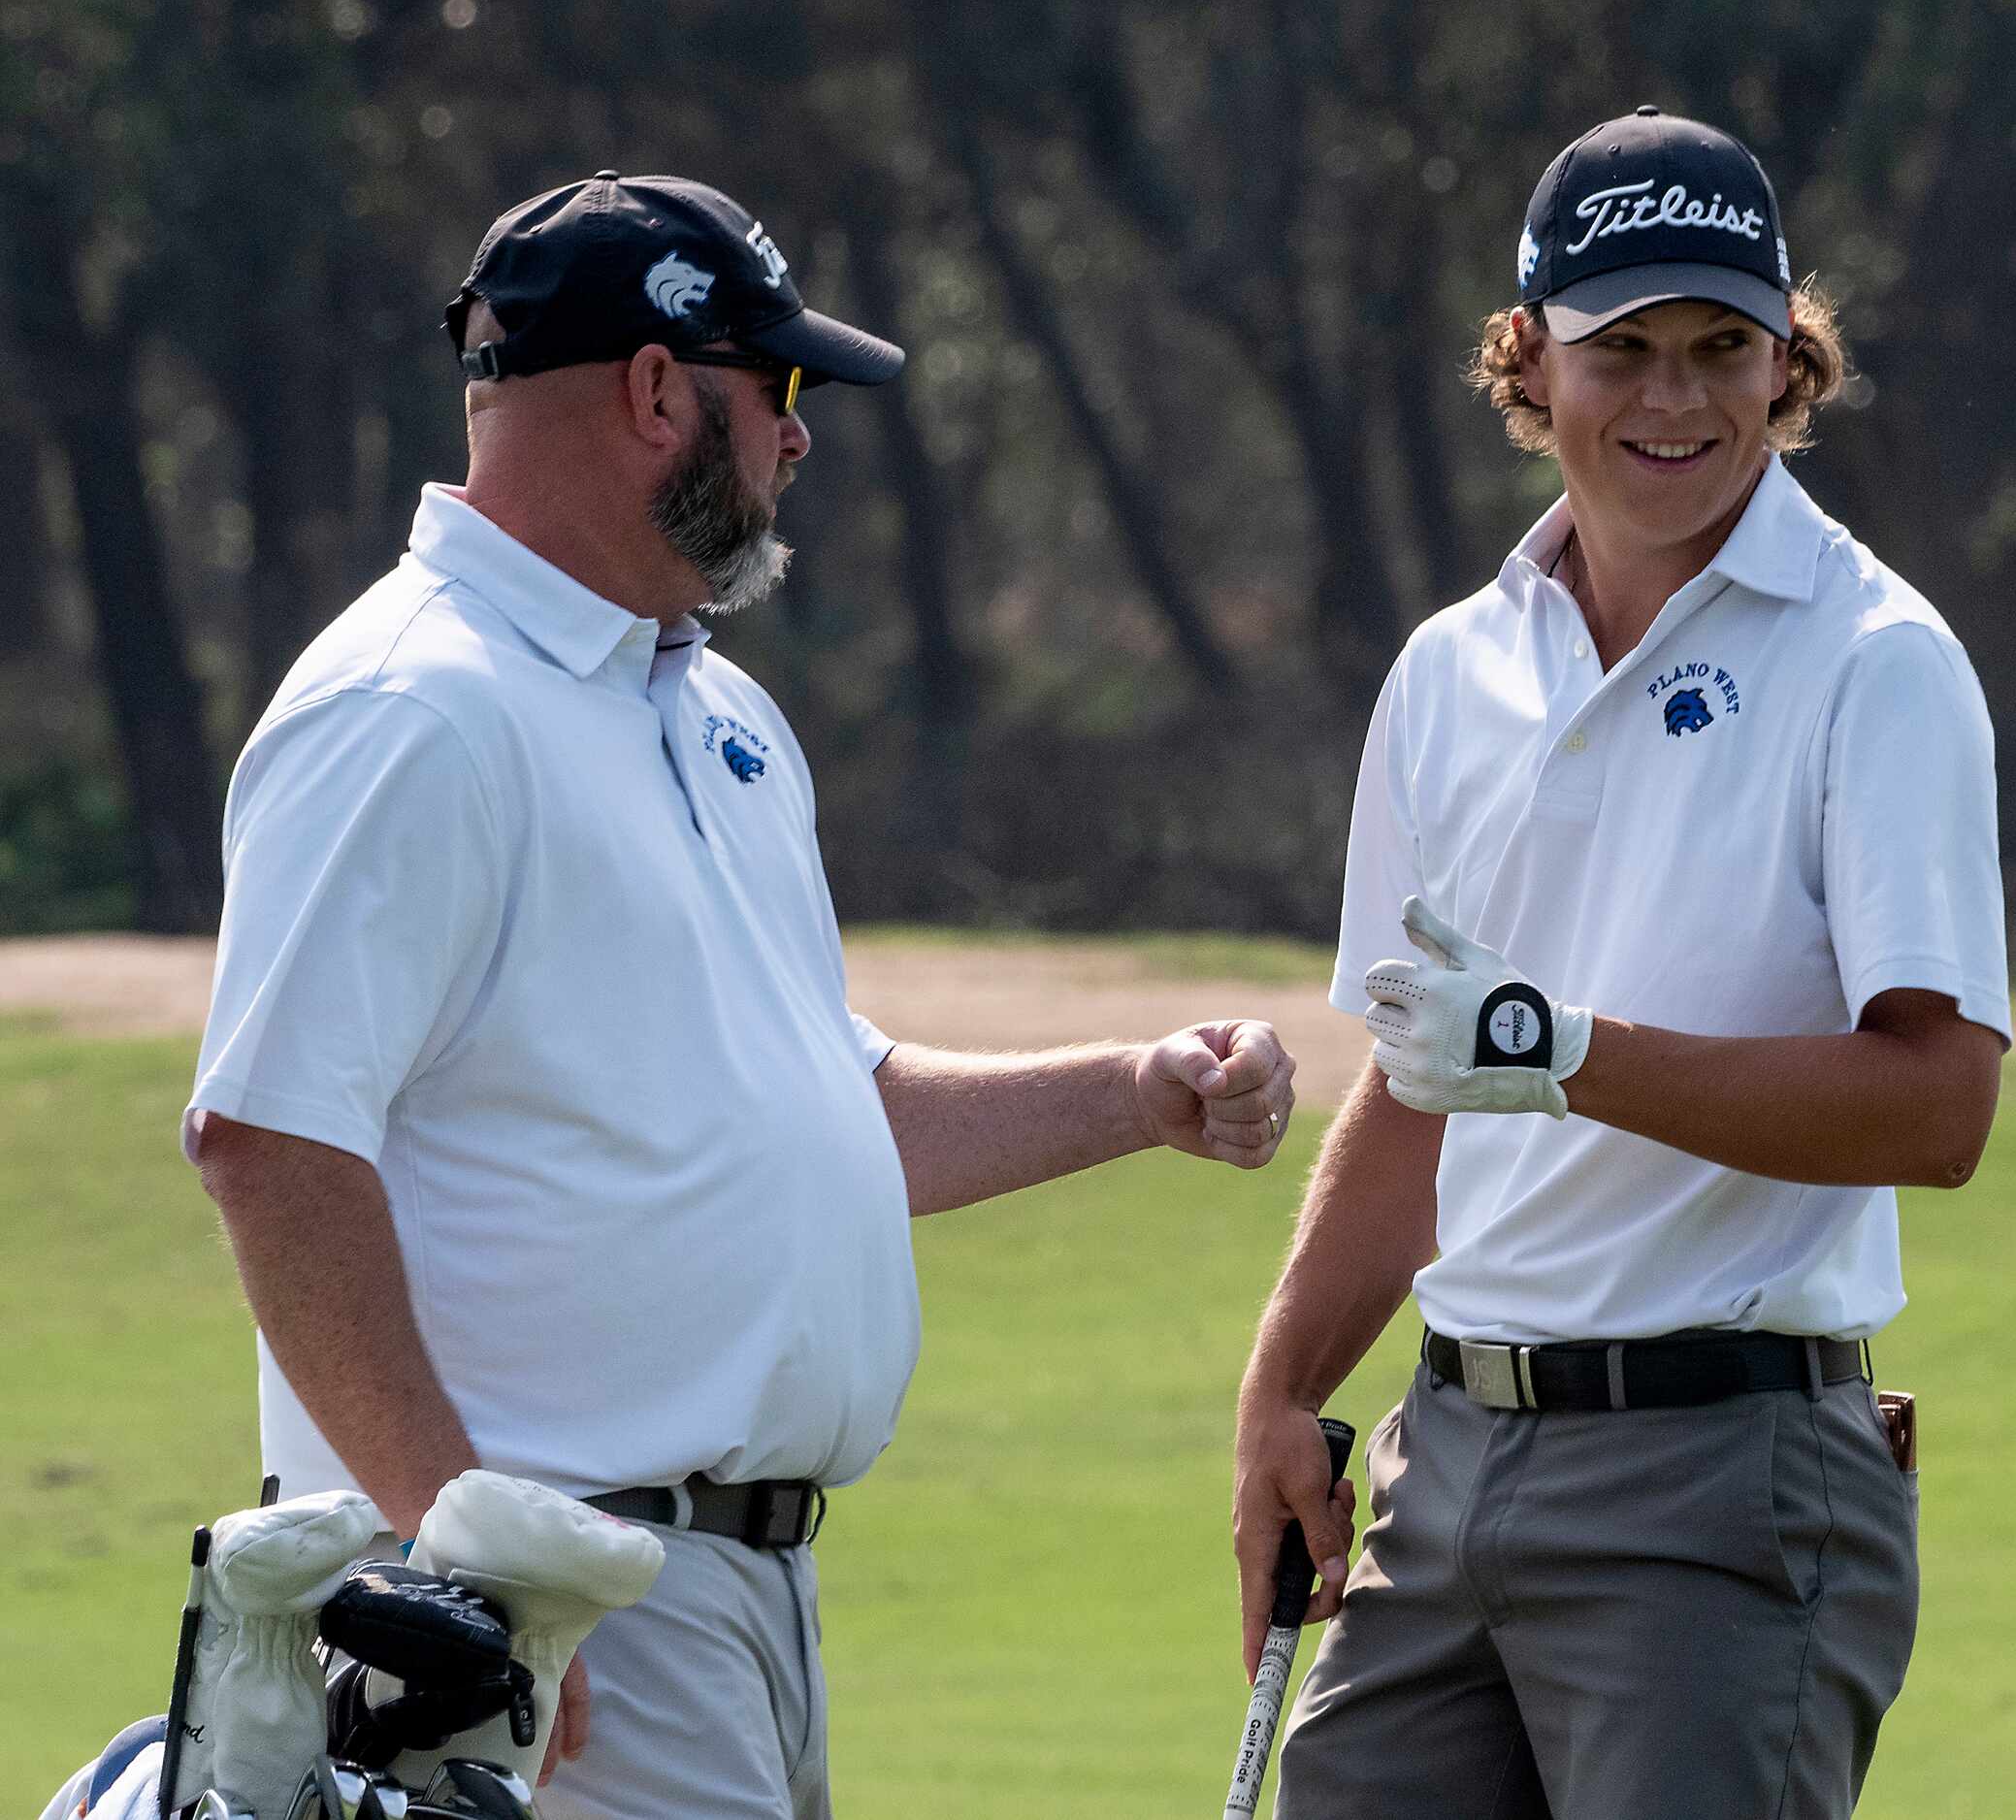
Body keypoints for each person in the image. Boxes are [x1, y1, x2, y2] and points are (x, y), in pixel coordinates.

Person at [184, 171, 1298, 1820]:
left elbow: (809, 1108)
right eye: (776, 392)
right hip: (532, 1613)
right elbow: (269, 1141)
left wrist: (1133, 1092)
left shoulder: (714, 712)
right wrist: (460, 1570)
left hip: (732, 1601)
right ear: (653, 392)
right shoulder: (410, 708)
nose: (798, 439)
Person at [1231, 108, 2010, 1818]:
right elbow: (1420, 1076)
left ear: (1787, 359)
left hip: (1724, 1479)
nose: (1676, 401)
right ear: (1528, 360)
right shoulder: (1450, 671)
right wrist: (1286, 1387)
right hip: (1446, 1468)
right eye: (1624, 351)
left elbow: (1938, 1107)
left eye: (1723, 348)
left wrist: (1564, 1048)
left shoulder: (1876, 663)